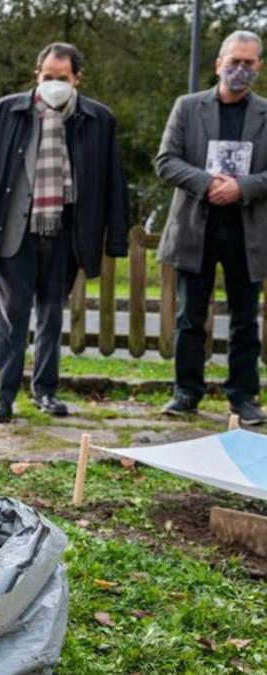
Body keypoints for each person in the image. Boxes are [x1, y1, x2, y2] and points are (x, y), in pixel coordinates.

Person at [0, 43, 129, 423]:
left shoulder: (98, 119)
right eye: (48, 77)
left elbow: (113, 182)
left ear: (77, 79)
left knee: (52, 314)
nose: (54, 84)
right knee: (11, 316)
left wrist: (114, 239)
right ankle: (0, 397)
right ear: (37, 74)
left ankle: (46, 390)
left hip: (68, 233)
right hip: (13, 230)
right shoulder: (8, 110)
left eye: (62, 78)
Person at [156, 31, 267, 424]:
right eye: (234, 61)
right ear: (218, 63)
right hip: (195, 228)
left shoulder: (265, 113)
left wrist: (243, 187)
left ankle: (243, 396)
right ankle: (186, 392)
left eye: (248, 63)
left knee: (244, 318)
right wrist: (207, 184)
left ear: (259, 66)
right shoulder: (187, 108)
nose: (240, 69)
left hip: (247, 231)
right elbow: (166, 160)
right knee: (190, 317)